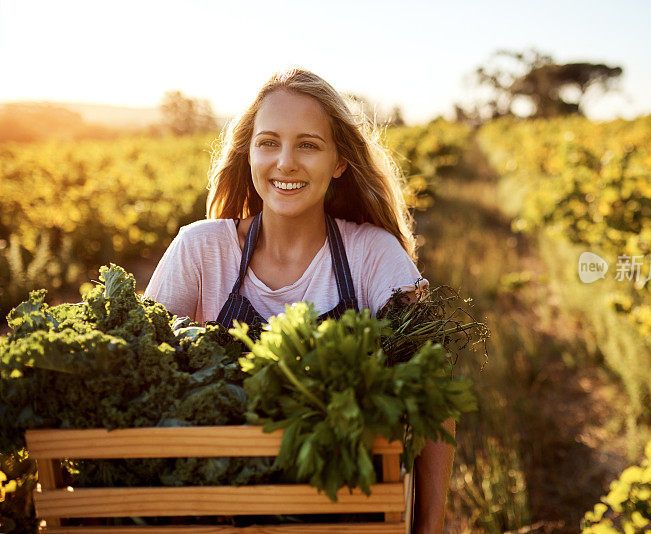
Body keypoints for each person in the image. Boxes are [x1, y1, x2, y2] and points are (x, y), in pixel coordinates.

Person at [143, 68, 455, 533]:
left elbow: (433, 396)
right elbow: (140, 370)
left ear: (339, 162)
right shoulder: (200, 250)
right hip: (219, 512)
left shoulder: (372, 254)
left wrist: (430, 528)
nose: (285, 162)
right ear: (249, 154)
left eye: (308, 144)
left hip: (346, 514)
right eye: (269, 142)